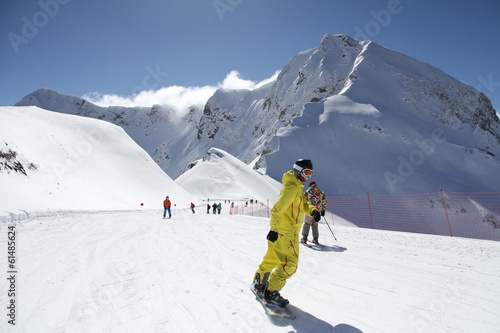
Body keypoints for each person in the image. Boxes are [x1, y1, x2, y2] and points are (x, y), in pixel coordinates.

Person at [252, 159, 321, 307]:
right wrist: (274, 230)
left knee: (273, 258)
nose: (308, 177)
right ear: (298, 171)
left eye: (311, 174)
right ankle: (271, 292)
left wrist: (312, 210)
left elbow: (302, 203)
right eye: (306, 173)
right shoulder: (292, 188)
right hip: (286, 232)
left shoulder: (296, 187)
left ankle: (259, 282)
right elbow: (277, 210)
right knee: (290, 265)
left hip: (283, 231)